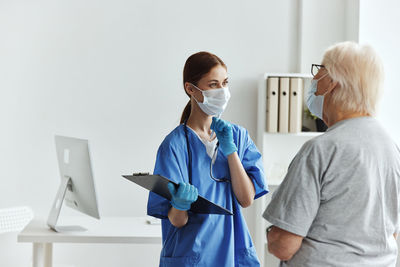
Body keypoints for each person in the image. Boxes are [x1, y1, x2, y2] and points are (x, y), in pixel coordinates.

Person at [263, 41, 400, 266]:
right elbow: (389, 233)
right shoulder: (392, 148)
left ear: (332, 83)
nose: (315, 78)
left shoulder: (322, 149)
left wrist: (274, 232)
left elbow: (283, 245)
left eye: (320, 69)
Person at [147, 51, 268, 266]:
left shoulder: (237, 137)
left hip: (232, 253)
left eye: (225, 83)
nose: (222, 91)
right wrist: (180, 203)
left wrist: (231, 151)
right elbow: (177, 220)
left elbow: (246, 199)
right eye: (213, 84)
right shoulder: (174, 146)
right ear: (191, 89)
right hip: (193, 256)